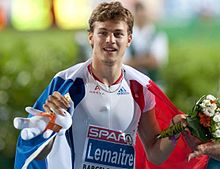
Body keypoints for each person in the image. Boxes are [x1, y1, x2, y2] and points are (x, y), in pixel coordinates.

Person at [14, 2, 207, 169]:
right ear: (91, 37)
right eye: (103, 33)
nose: (110, 40)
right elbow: (38, 154)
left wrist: (174, 129)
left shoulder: (139, 88)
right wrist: (50, 130)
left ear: (129, 39)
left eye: (118, 33)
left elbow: (155, 154)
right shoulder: (67, 83)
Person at [124, 1, 168, 85]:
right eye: (137, 11)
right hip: (130, 86)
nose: (140, 15)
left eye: (142, 11)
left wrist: (134, 61)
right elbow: (124, 63)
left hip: (153, 85)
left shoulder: (158, 34)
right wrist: (146, 59)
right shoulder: (126, 35)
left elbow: (156, 61)